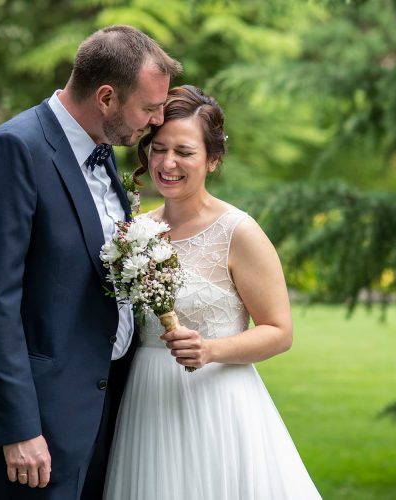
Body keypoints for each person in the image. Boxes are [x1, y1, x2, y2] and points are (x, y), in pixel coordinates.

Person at [0, 25, 181, 500]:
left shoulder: (104, 151)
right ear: (106, 97)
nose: (155, 121)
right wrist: (17, 429)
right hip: (34, 428)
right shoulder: (14, 150)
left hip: (99, 412)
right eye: (149, 108)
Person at [103, 85, 322, 499]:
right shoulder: (134, 232)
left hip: (218, 402)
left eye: (184, 152)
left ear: (213, 159)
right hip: (146, 402)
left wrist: (210, 350)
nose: (167, 163)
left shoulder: (239, 232)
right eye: (159, 149)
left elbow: (279, 330)